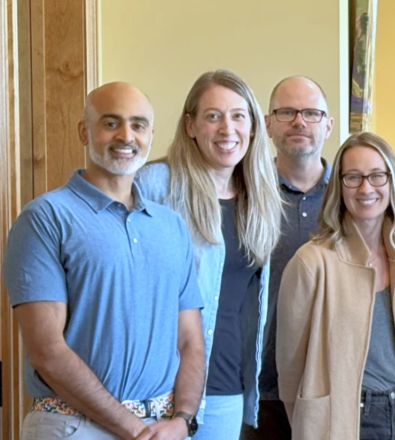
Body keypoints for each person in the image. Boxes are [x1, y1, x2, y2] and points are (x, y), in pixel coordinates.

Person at [4, 82, 204, 439]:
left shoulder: (171, 226)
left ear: (151, 134)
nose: (126, 135)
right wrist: (132, 428)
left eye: (138, 125)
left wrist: (183, 420)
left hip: (162, 427)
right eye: (111, 123)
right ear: (84, 131)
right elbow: (47, 351)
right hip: (72, 426)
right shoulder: (45, 218)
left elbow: (190, 340)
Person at [136, 69, 284, 439]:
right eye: (213, 116)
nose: (227, 128)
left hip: (225, 391)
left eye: (238, 116)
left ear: (253, 126)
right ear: (190, 125)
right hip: (156, 392)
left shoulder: (259, 200)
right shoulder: (156, 185)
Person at [277, 132, 395, 440]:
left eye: (377, 176)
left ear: (392, 182)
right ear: (339, 187)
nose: (366, 188)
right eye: (353, 177)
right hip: (345, 420)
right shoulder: (311, 263)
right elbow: (290, 370)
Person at [243, 75, 334, 440]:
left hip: (331, 382)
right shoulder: (242, 191)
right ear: (267, 124)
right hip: (258, 383)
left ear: (328, 125)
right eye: (287, 112)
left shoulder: (353, 196)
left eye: (311, 113)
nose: (299, 121)